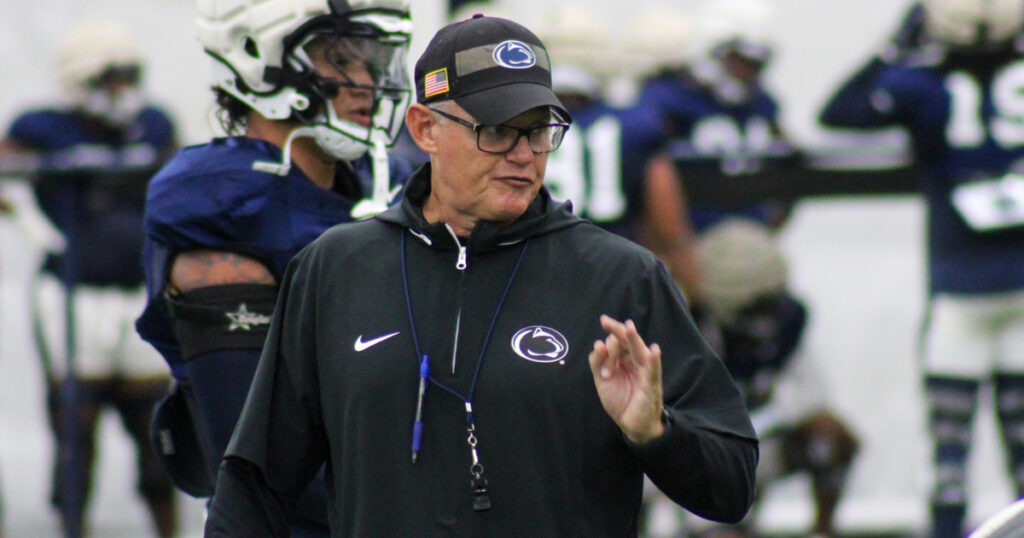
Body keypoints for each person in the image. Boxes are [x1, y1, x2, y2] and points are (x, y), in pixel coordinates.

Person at [203, 14, 758, 536]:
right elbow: (255, 481)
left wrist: (655, 433)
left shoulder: (619, 276)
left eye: (539, 130)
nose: (524, 154)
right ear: (424, 128)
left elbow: (731, 484)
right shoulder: (334, 269)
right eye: (498, 130)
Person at [135, 0, 415, 535]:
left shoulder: (386, 184)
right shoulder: (221, 202)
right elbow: (258, 459)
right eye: (341, 59)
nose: (366, 83)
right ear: (256, 58)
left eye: (373, 62)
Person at [817, 1, 1024, 536]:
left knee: (948, 459)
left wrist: (895, 45)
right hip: (1018, 287)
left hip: (960, 289)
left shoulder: (923, 83)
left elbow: (841, 111)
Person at [0, 19, 179, 538]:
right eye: (110, 76)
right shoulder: (44, 127)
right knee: (76, 429)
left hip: (140, 294)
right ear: (79, 80)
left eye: (129, 75)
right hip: (75, 298)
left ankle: (165, 528)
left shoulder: (154, 123)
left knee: (157, 429)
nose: (122, 88)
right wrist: (40, 230)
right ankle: (73, 528)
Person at [689, 218, 859, 538]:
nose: (763, 319)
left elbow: (814, 399)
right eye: (753, 305)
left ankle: (823, 529)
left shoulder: (787, 324)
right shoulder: (689, 334)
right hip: (702, 465)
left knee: (830, 437)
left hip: (760, 442)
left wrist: (767, 420)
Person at [537, 4, 703, 301]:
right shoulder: (637, 125)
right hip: (615, 281)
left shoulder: (512, 128)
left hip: (534, 280)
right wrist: (698, 305)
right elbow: (669, 231)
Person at [636, 0, 797, 234]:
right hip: (691, 236)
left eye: (755, 64)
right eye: (740, 60)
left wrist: (770, 225)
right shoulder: (665, 101)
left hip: (750, 234)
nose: (746, 72)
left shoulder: (762, 105)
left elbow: (791, 165)